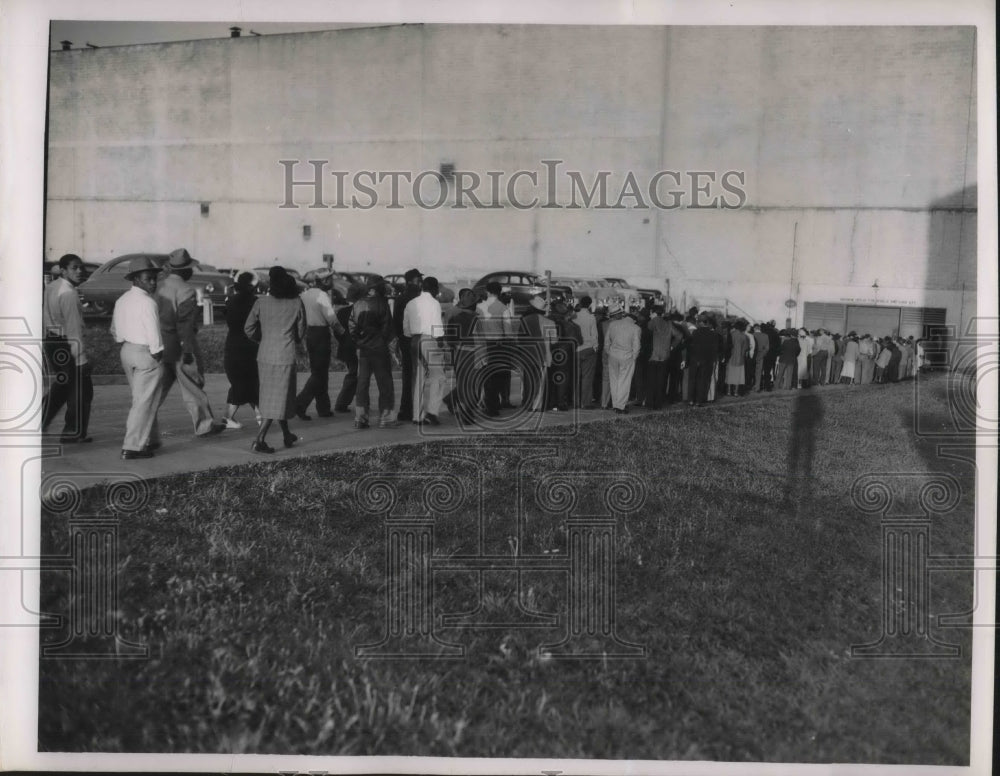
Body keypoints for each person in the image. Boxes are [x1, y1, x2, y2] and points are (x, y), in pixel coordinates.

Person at [152, 248, 224, 440]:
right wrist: (188, 350)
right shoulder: (186, 290)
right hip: (179, 345)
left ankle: (145, 420)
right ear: (184, 270)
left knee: (158, 388)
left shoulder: (158, 286)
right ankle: (204, 425)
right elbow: (185, 324)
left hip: (159, 343)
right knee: (192, 385)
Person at [243, 267, 307, 452]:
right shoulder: (296, 303)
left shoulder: (261, 302)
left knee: (274, 397)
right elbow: (301, 332)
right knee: (279, 399)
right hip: (285, 355)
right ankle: (259, 440)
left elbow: (248, 328)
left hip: (264, 355)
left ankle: (287, 434)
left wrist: (261, 339)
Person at [111, 257, 165, 459]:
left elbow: (115, 331)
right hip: (146, 353)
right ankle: (132, 446)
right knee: (143, 402)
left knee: (142, 398)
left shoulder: (122, 300)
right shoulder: (148, 302)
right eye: (148, 278)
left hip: (127, 351)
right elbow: (154, 334)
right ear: (136, 279)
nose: (153, 282)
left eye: (155, 279)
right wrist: (157, 353)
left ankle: (151, 439)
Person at [41, 253, 94, 443]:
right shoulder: (69, 294)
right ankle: (73, 432)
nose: (80, 271)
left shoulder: (52, 286)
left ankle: (38, 423)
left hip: (51, 342)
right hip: (66, 343)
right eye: (74, 268)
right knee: (83, 389)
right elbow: (74, 330)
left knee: (63, 386)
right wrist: (82, 360)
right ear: (63, 270)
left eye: (81, 267)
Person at [294, 271, 343, 420]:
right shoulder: (322, 296)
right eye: (331, 279)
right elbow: (332, 319)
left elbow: (300, 318)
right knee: (319, 374)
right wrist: (342, 333)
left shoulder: (305, 294)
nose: (333, 282)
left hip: (310, 334)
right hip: (321, 334)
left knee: (319, 371)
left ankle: (323, 408)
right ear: (325, 281)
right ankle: (300, 403)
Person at [349, 280, 397, 429]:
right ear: (378, 289)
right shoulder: (382, 304)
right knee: (385, 383)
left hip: (364, 349)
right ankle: (385, 417)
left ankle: (361, 418)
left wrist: (359, 340)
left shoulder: (358, 304)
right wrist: (384, 342)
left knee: (362, 383)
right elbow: (388, 328)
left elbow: (351, 326)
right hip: (379, 349)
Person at [403, 276, 446, 425]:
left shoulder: (411, 303)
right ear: (434, 288)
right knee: (438, 376)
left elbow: (406, 329)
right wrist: (441, 343)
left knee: (419, 378)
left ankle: (417, 415)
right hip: (429, 340)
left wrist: (413, 337)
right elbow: (438, 327)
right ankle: (432, 412)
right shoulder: (434, 303)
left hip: (414, 340)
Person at [222, 272, 261, 428]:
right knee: (250, 381)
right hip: (250, 346)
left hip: (232, 344)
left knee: (241, 382)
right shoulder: (256, 302)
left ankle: (257, 414)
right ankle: (258, 415)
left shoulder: (230, 301)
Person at [476, 281, 515, 415]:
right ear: (499, 292)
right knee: (497, 376)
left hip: (481, 344)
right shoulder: (504, 308)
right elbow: (508, 332)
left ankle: (488, 403)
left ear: (487, 291)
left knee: (485, 376)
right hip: (498, 344)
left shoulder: (479, 307)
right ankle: (492, 406)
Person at [443, 288, 481, 423]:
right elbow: (481, 339)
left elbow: (449, 338)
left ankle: (453, 402)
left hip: (458, 352)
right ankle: (467, 414)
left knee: (462, 382)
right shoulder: (477, 319)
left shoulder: (453, 315)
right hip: (473, 354)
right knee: (470, 384)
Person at [392, 268, 423, 422]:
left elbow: (396, 322)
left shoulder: (401, 298)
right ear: (411, 280)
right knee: (418, 375)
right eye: (418, 279)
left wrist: (399, 339)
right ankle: (416, 410)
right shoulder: (419, 297)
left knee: (407, 375)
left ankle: (405, 410)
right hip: (418, 339)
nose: (421, 281)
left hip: (405, 339)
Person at [333, 282, 367, 413]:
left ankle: (361, 402)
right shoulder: (363, 311)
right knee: (356, 375)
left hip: (346, 348)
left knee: (355, 374)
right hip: (358, 347)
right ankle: (343, 403)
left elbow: (337, 331)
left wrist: (344, 341)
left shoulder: (342, 312)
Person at [518, 295, 554, 411]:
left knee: (528, 380)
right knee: (540, 381)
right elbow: (554, 340)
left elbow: (520, 339)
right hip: (543, 354)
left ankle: (527, 404)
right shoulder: (549, 322)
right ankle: (537, 405)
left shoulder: (524, 320)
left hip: (527, 354)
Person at [604, 303, 641, 413]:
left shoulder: (613, 324)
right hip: (627, 356)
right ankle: (621, 406)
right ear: (634, 320)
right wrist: (634, 357)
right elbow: (637, 346)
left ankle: (616, 404)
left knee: (614, 380)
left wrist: (609, 352)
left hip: (613, 355)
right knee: (624, 381)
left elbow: (607, 342)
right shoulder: (636, 328)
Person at [687, 314, 721, 406]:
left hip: (694, 359)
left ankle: (690, 400)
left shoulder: (695, 332)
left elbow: (691, 346)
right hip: (707, 360)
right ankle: (699, 401)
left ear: (701, 322)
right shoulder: (713, 334)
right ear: (707, 323)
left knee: (692, 380)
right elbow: (715, 349)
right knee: (702, 380)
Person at [574, 296, 599, 408]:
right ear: (589, 304)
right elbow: (594, 335)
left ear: (580, 302)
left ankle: (576, 401)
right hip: (588, 349)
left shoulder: (574, 317)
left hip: (575, 349)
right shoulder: (591, 317)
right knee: (587, 378)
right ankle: (586, 402)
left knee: (576, 377)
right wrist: (595, 347)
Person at [725, 319, 749, 397]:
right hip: (740, 359)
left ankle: (728, 391)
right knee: (738, 375)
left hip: (731, 358)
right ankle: (735, 392)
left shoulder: (731, 334)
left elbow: (727, 346)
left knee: (730, 374)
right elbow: (746, 348)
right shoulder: (744, 336)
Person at [752, 323, 770, 392]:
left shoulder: (752, 335)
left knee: (751, 371)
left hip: (752, 355)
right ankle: (757, 387)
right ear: (760, 328)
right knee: (759, 372)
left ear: (754, 328)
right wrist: (763, 354)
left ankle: (750, 385)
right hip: (761, 355)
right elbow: (767, 348)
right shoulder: (765, 336)